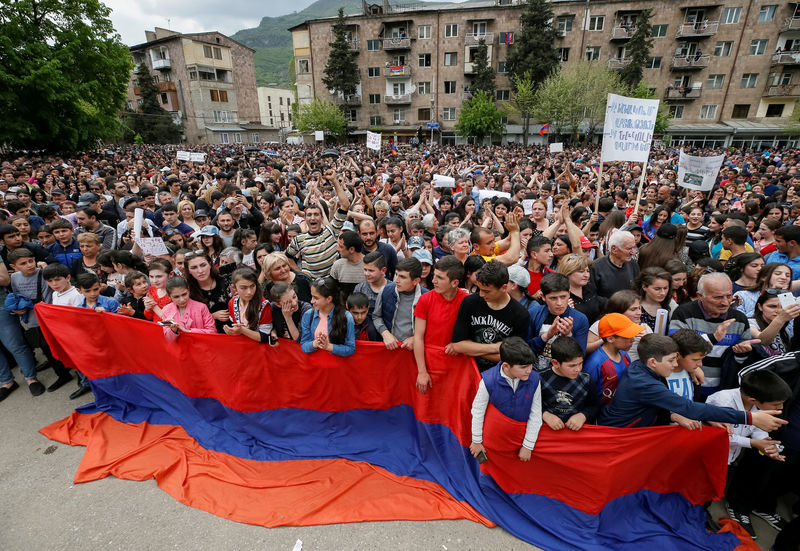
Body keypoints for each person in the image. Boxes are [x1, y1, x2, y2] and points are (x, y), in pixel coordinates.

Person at [598, 334, 788, 431]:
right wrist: (751, 418)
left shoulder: (643, 367)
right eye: (672, 360)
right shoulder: (646, 384)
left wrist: (694, 366)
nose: (675, 364)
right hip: (620, 434)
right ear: (653, 362)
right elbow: (689, 408)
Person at [710, 370, 793, 539]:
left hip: (729, 459)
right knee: (700, 489)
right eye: (776, 405)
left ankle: (701, 510)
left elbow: (756, 429)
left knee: (712, 491)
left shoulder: (757, 406)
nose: (780, 409)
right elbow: (723, 435)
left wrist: (767, 446)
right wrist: (754, 443)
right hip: (709, 457)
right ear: (753, 400)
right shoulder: (723, 401)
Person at [670, 272, 757, 397]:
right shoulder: (684, 313)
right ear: (700, 296)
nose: (725, 302)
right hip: (691, 388)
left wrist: (742, 353)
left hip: (724, 392)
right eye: (718, 297)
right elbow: (676, 347)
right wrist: (713, 338)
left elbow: (742, 362)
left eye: (729, 296)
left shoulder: (739, 319)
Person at [8, 248, 74, 393]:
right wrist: (17, 309)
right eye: (23, 263)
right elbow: (17, 296)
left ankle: (68, 369)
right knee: (46, 348)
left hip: (49, 317)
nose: (29, 265)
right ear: (14, 267)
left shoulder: (44, 273)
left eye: (31, 261)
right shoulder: (14, 278)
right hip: (32, 319)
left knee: (59, 345)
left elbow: (59, 282)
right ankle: (62, 374)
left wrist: (47, 267)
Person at [469, 336, 542, 462]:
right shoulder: (488, 380)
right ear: (506, 366)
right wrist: (476, 441)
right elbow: (477, 412)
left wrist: (528, 445)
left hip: (519, 442)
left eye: (531, 365)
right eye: (523, 367)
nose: (529, 370)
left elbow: (535, 414)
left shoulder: (535, 379)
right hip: (493, 441)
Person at [451, 260, 530, 372]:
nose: (481, 294)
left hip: (498, 375)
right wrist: (496, 347)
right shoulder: (470, 302)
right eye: (480, 289)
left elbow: (512, 358)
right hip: (468, 371)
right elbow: (458, 345)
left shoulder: (520, 314)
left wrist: (470, 348)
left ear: (503, 287)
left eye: (487, 291)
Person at [412, 255, 468, 393]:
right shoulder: (425, 300)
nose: (433, 281)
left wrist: (460, 345)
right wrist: (422, 372)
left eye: (440, 278)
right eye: (434, 275)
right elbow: (418, 337)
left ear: (455, 283)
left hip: (458, 365)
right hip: (429, 364)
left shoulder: (467, 301)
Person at [287, 171, 351, 279]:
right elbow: (288, 257)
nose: (312, 218)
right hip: (312, 287)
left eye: (316, 214)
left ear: (321, 218)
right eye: (309, 215)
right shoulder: (299, 239)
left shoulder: (331, 230)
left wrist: (334, 181)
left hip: (332, 284)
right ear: (305, 219)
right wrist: (301, 274)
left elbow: (345, 205)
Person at [527, 272, 589, 372]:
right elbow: (525, 350)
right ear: (543, 297)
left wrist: (568, 336)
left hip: (563, 375)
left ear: (569, 293)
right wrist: (546, 336)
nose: (559, 303)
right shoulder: (533, 314)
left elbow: (580, 356)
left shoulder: (580, 319)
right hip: (534, 372)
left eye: (563, 297)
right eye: (553, 298)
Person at [540, 336, 600, 431]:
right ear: (555, 363)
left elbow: (594, 406)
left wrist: (583, 415)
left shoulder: (586, 379)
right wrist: (545, 414)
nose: (578, 369)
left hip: (576, 432)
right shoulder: (540, 378)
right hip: (547, 431)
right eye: (572, 365)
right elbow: (529, 405)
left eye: (580, 363)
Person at [583, 313, 642, 405]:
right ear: (610, 339)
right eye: (628, 336)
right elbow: (585, 395)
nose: (633, 340)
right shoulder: (595, 363)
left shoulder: (624, 355)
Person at [373, 257, 428, 349]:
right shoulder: (386, 290)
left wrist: (416, 338)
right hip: (390, 348)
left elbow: (433, 327)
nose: (396, 280)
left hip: (415, 350)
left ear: (416, 281)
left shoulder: (427, 297)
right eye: (396, 274)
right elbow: (376, 316)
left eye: (402, 277)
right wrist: (385, 333)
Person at [300, 277, 356, 357]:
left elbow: (350, 349)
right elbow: (304, 346)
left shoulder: (347, 317)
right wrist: (315, 344)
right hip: (315, 366)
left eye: (316, 298)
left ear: (329, 299)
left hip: (338, 366)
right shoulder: (308, 315)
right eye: (312, 296)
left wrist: (329, 346)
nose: (311, 301)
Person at [223, 267, 277, 345]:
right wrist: (232, 331)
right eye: (243, 288)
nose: (249, 292)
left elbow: (265, 337)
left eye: (252, 286)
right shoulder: (232, 302)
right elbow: (236, 328)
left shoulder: (263, 304)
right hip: (243, 346)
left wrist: (242, 330)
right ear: (234, 287)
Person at [184, 250, 231, 333]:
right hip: (208, 335)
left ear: (210, 264)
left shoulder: (226, 281)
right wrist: (211, 316)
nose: (200, 271)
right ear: (188, 271)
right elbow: (186, 321)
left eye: (203, 265)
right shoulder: (187, 291)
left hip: (234, 331)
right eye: (194, 267)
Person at [160, 276, 216, 342]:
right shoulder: (166, 310)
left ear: (189, 290)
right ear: (169, 296)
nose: (182, 299)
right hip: (180, 350)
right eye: (176, 297)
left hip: (201, 349)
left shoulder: (201, 307)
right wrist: (173, 330)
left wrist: (188, 331)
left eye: (184, 294)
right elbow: (169, 339)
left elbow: (213, 332)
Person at [589, 230, 639, 299]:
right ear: (614, 249)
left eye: (633, 248)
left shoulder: (632, 264)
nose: (632, 252)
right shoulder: (596, 268)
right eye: (629, 248)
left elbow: (637, 290)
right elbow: (592, 297)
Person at [749, 290, 800, 357]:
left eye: (782, 307)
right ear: (760, 307)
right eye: (772, 306)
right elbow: (762, 340)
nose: (778, 311)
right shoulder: (750, 323)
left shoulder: (785, 330)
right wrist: (780, 318)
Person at [559, 253, 605, 325]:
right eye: (581, 271)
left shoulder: (590, 288)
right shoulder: (560, 295)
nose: (586, 275)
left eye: (587, 271)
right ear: (567, 272)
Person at [666, 328, 712, 401]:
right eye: (695, 360)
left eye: (701, 359)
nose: (700, 364)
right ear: (677, 355)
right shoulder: (659, 376)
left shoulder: (694, 375)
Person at [635, 267, 672, 333]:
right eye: (657, 289)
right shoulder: (634, 307)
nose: (663, 293)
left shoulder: (671, 305)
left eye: (665, 288)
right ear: (644, 286)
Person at [330, 230, 366, 299]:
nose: (337, 249)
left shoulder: (369, 265)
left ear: (351, 249)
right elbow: (332, 290)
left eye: (341, 246)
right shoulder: (337, 265)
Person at [143, 258, 173, 323]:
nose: (154, 281)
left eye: (159, 276)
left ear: (170, 274)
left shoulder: (175, 292)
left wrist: (154, 306)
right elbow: (148, 316)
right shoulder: (152, 289)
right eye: (151, 276)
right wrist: (148, 308)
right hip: (156, 327)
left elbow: (173, 320)